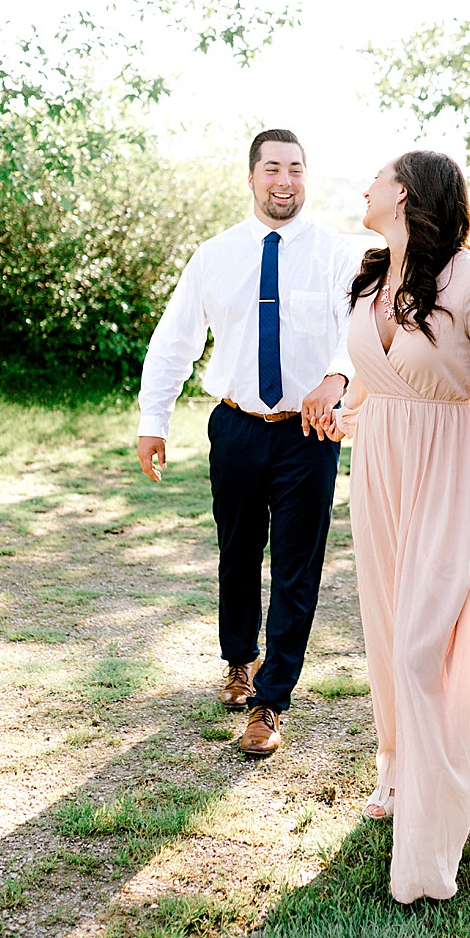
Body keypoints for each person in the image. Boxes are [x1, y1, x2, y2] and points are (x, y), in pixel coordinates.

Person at [322, 150, 470, 903]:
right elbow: (381, 374)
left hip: (445, 463)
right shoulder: (376, 274)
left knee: (423, 646)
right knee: (385, 631)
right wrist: (348, 415)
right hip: (378, 468)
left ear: (403, 192)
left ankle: (429, 851)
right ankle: (401, 770)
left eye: (374, 176)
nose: (364, 184)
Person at [137, 128, 356, 758]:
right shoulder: (215, 255)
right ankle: (240, 660)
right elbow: (174, 340)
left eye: (296, 170)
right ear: (252, 176)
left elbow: (358, 331)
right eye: (273, 169)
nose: (285, 181)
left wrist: (336, 378)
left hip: (307, 432)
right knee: (236, 554)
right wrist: (155, 421)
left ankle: (271, 701)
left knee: (296, 568)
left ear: (306, 178)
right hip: (234, 426)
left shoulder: (336, 255)